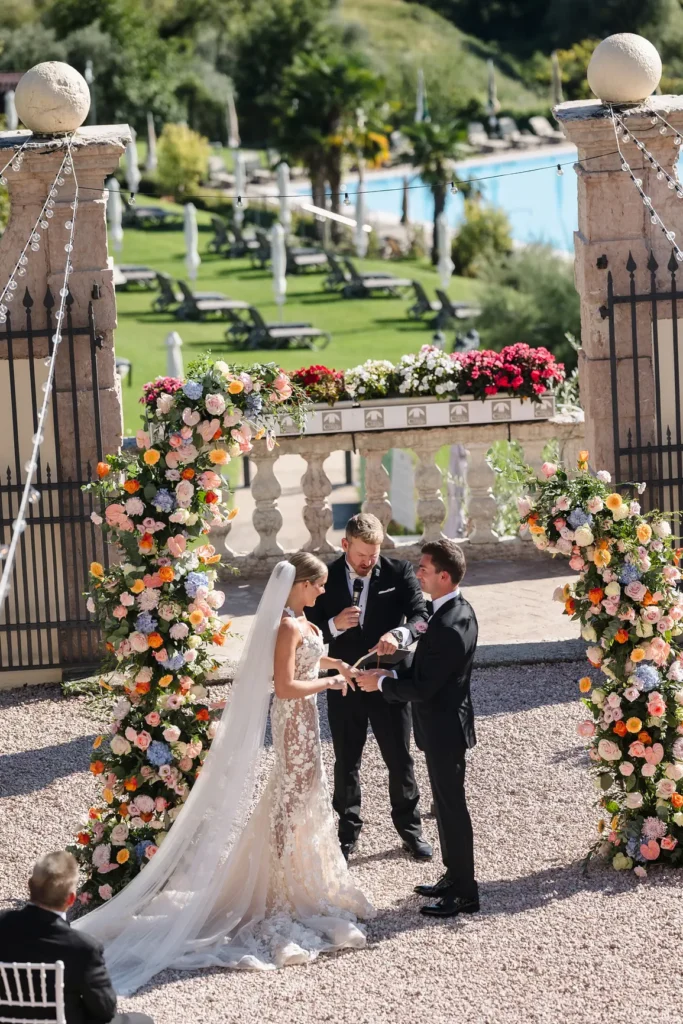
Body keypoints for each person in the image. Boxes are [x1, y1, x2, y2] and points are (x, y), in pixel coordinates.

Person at [74, 553, 374, 995]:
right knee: (293, 796)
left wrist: (337, 667)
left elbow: (312, 659)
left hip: (308, 721)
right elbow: (286, 685)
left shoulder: (303, 621)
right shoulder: (287, 626)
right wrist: (326, 685)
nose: (323, 592)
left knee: (304, 795)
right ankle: (275, 886)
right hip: (293, 718)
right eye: (318, 585)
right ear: (300, 584)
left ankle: (293, 874)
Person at [356, 539, 479, 918]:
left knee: (452, 808)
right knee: (442, 807)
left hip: (445, 730)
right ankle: (453, 874)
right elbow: (422, 668)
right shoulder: (442, 611)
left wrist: (380, 684)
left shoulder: (454, 624)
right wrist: (390, 670)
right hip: (436, 726)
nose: (418, 571)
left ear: (445, 576)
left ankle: (466, 892)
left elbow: (425, 686)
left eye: (425, 567)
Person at [306, 513, 431, 861]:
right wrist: (333, 625)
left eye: (374, 554)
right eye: (362, 555)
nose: (368, 561)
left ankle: (411, 831)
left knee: (400, 759)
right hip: (344, 683)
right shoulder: (325, 578)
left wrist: (399, 633)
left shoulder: (398, 573)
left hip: (388, 683)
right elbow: (307, 629)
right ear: (345, 545)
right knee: (346, 760)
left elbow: (421, 617)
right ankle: (347, 834)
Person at [0, 852, 153, 1024]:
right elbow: (105, 1010)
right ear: (71, 899)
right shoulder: (83, 948)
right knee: (143, 1021)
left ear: (30, 885)